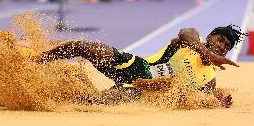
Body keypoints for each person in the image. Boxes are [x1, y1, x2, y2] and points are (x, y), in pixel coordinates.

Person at [37, 25, 246, 105]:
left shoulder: (208, 79)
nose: (221, 46)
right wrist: (206, 53)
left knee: (96, 100)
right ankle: (34, 62)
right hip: (136, 66)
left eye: (226, 46)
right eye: (219, 40)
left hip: (143, 91)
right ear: (210, 36)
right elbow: (184, 33)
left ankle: (51, 94)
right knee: (84, 46)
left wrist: (215, 100)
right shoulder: (193, 38)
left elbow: (195, 99)